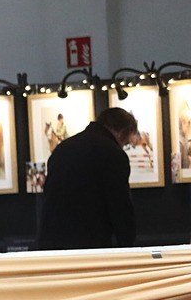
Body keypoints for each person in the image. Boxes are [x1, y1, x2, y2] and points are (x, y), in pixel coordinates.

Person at [36, 107, 137, 250]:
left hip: (51, 242)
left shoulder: (63, 148)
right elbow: (120, 206)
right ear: (122, 133)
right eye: (125, 143)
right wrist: (127, 246)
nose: (123, 146)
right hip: (89, 243)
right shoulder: (113, 154)